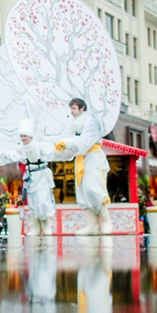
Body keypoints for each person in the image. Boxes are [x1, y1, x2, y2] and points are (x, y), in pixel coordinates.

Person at [0, 119, 59, 236]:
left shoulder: (39, 146)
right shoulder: (22, 148)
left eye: (25, 135)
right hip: (31, 177)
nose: (23, 138)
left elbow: (52, 153)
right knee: (33, 202)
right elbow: (11, 155)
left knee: (42, 201)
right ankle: (36, 228)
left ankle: (47, 226)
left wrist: (63, 148)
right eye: (21, 136)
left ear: (31, 136)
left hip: (42, 175)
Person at [55, 98, 111, 235]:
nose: (72, 111)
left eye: (74, 108)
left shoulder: (91, 121)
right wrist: (61, 148)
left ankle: (107, 221)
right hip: (81, 159)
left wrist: (67, 143)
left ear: (82, 108)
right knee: (83, 191)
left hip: (93, 157)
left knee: (94, 188)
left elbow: (85, 142)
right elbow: (74, 145)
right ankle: (92, 225)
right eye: (71, 108)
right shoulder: (74, 125)